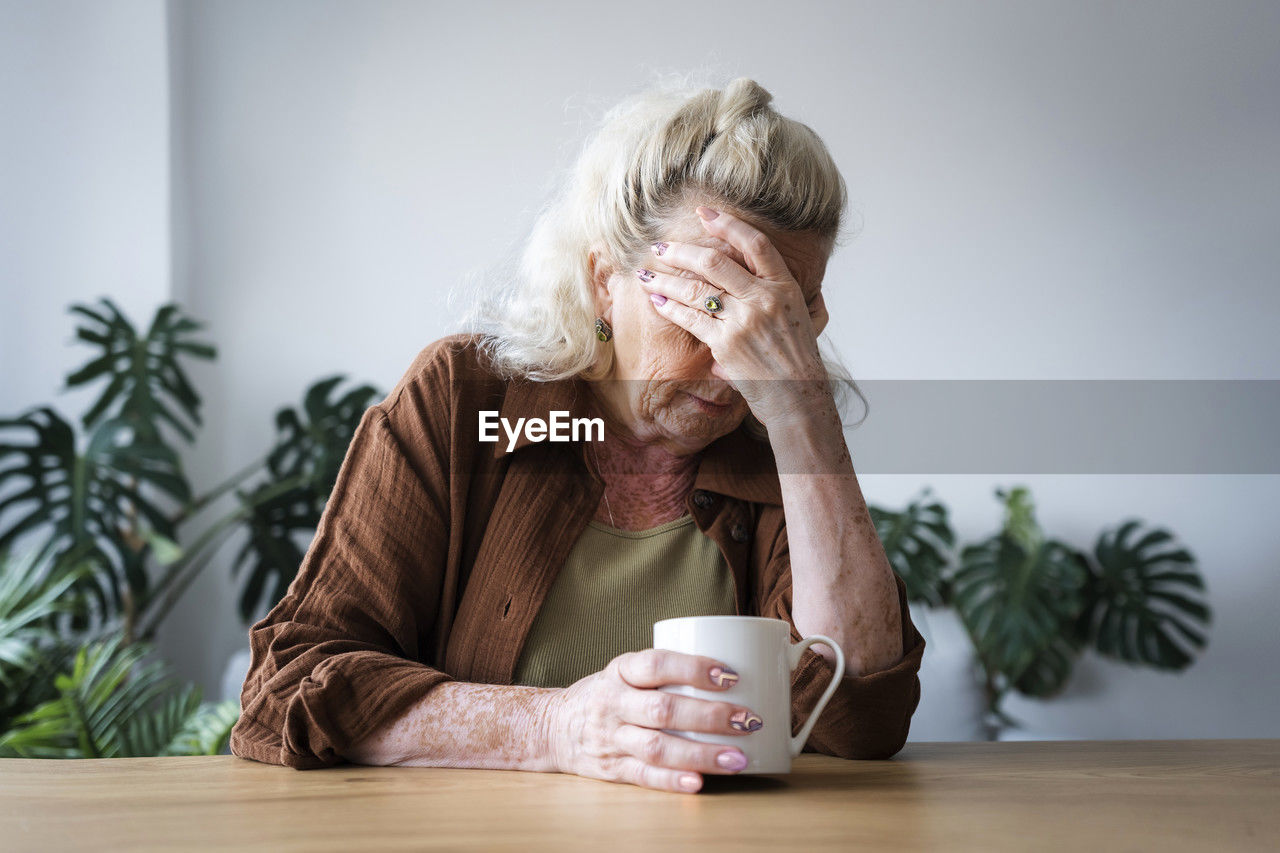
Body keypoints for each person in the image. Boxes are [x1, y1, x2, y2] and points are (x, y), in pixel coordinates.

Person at [229, 76, 924, 795]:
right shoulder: (464, 401)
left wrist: (802, 416)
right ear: (603, 282)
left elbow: (864, 717)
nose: (731, 365)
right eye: (702, 305)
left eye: (772, 324)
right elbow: (286, 688)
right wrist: (556, 726)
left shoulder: (777, 438)